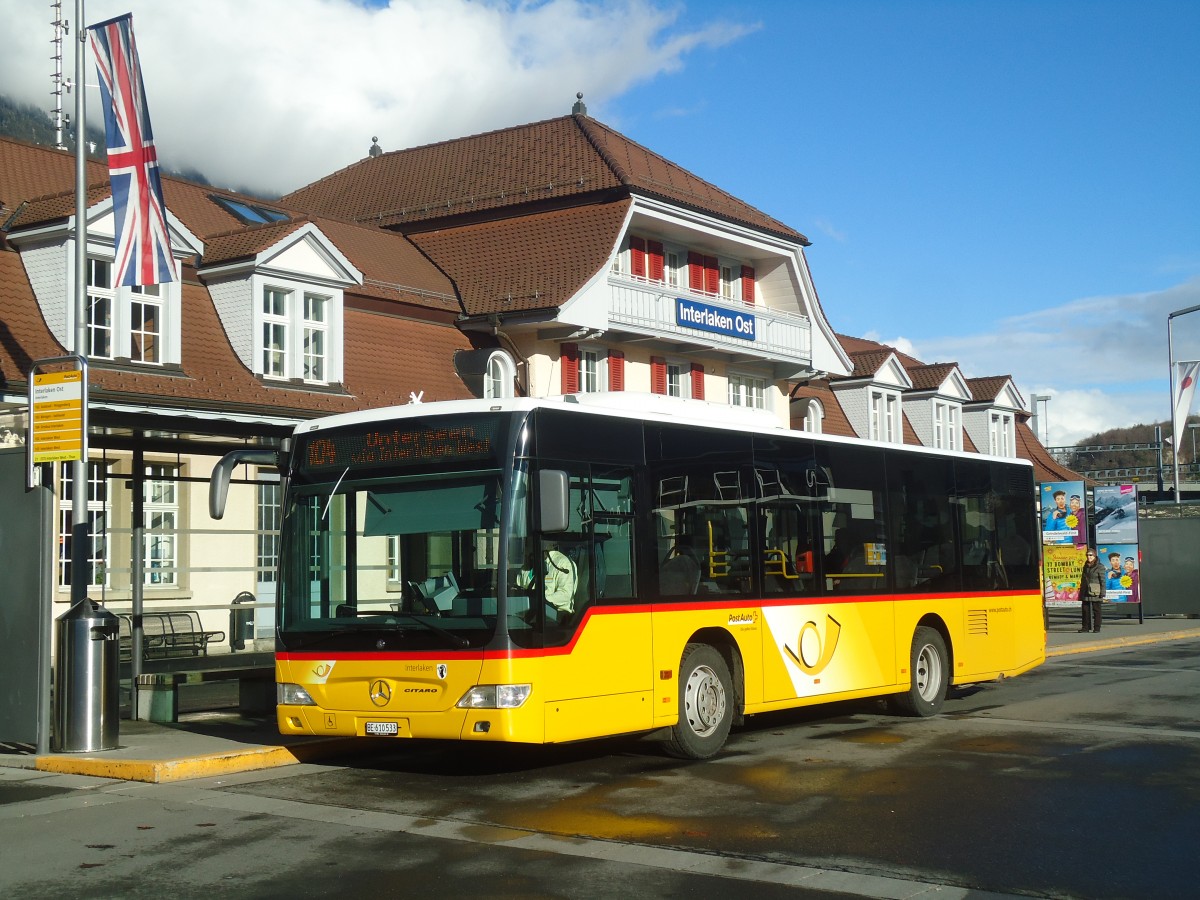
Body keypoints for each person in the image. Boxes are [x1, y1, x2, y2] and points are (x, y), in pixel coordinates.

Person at [517, 547, 578, 621]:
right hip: (527, 612)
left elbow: (565, 594)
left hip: (556, 616)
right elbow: (519, 588)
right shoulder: (527, 566)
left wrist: (541, 600)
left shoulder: (563, 563)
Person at [1079, 547, 1106, 633]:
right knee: (1085, 610)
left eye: (1091, 555)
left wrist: (1102, 592)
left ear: (1094, 556)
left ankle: (1097, 628)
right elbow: (1083, 579)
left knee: (1097, 610)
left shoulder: (1100, 567)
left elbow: (1102, 580)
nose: (1089, 557)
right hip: (1086, 591)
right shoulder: (1085, 566)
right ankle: (1085, 627)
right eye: (1087, 555)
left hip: (1096, 591)